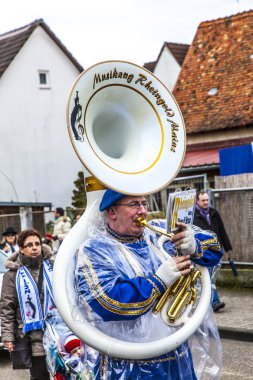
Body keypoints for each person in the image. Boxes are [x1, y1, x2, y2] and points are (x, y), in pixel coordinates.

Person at [75, 189, 224, 380]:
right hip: (127, 364)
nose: (142, 211)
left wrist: (194, 244)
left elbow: (215, 250)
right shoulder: (94, 249)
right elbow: (107, 302)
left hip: (176, 354)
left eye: (144, 203)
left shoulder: (158, 232)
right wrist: (158, 281)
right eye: (133, 205)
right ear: (112, 212)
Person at [0, 229, 55, 380]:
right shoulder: (12, 275)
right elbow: (7, 308)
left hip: (58, 335)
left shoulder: (54, 267)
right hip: (33, 339)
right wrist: (8, 336)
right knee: (39, 376)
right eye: (29, 245)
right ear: (22, 249)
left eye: (37, 243)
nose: (35, 247)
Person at [193, 190, 233, 312]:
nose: (206, 202)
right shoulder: (193, 215)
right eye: (203, 200)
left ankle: (206, 301)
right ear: (197, 201)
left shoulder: (214, 213)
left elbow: (221, 230)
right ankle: (214, 301)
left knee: (212, 277)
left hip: (217, 249)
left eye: (207, 200)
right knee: (209, 277)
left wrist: (228, 248)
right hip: (204, 251)